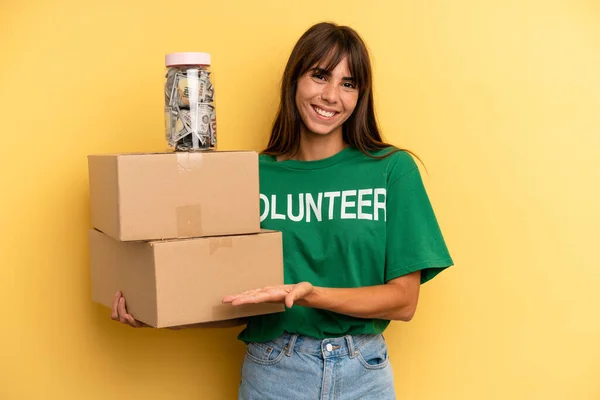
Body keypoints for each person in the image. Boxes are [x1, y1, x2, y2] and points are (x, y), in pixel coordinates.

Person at [112, 22, 453, 399]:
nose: (331, 96)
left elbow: (404, 301)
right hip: (276, 372)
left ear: (361, 96)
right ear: (294, 80)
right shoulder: (250, 176)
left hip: (364, 375)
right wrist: (158, 314)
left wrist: (310, 295)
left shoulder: (391, 170)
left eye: (348, 83)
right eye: (320, 76)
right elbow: (239, 302)